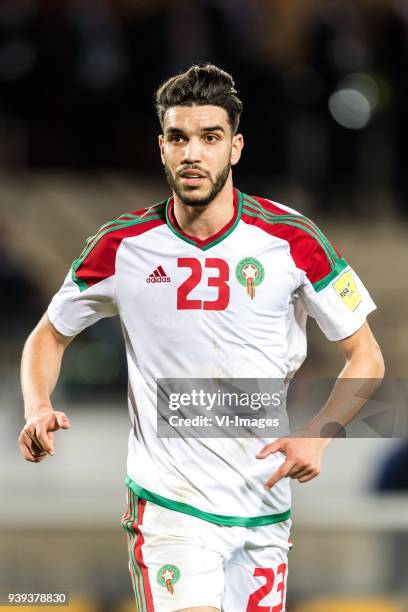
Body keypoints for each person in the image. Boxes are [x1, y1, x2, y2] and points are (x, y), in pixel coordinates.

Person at [19, 64, 384, 612]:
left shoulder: (291, 240)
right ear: (161, 147)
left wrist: (319, 434)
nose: (192, 153)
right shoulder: (123, 246)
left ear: (235, 147)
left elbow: (368, 358)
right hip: (169, 509)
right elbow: (48, 334)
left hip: (263, 508)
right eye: (178, 138)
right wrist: (37, 405)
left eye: (209, 138)